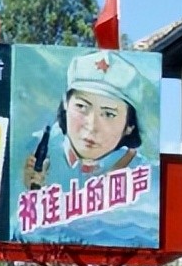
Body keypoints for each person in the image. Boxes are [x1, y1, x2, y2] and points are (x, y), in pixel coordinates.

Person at [22, 50, 142, 192]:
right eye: (81, 107)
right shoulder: (29, 149)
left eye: (109, 114)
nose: (91, 126)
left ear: (130, 125)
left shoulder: (143, 171)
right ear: (66, 103)